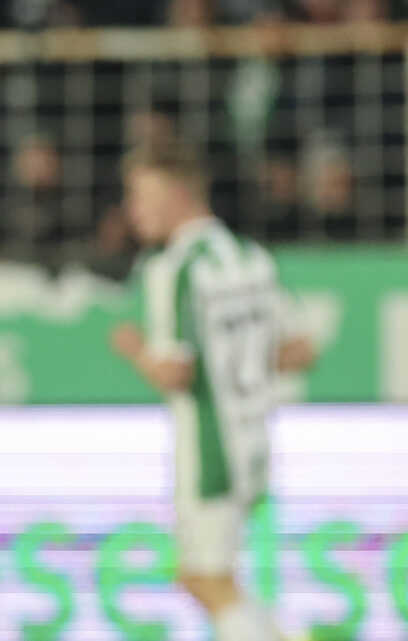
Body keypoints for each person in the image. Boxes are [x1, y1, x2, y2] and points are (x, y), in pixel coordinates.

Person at [108, 140, 314, 641]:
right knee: (203, 577)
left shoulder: (174, 269)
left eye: (140, 196)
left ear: (175, 193)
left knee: (207, 578)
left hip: (209, 450)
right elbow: (297, 350)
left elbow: (175, 373)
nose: (133, 213)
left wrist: (135, 349)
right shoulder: (252, 257)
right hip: (254, 439)